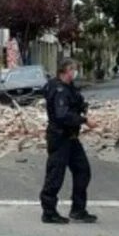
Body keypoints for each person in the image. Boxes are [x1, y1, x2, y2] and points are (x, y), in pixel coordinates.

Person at [39, 58, 98, 224]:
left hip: (71, 137)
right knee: (55, 175)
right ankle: (49, 212)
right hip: (60, 137)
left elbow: (77, 100)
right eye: (73, 69)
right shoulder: (58, 89)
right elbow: (62, 115)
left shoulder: (68, 87)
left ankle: (78, 209)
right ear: (66, 71)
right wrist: (84, 120)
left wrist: (83, 107)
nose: (75, 72)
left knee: (83, 170)